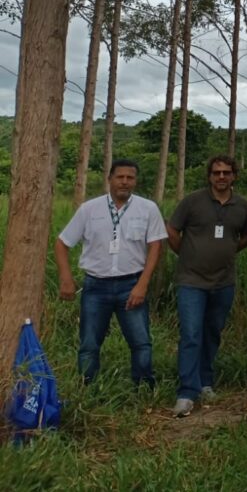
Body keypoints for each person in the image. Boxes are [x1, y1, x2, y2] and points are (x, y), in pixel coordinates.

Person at [54, 159, 167, 387]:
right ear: (110, 179)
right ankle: (87, 388)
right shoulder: (90, 209)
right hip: (96, 286)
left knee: (141, 342)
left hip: (131, 285)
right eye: (120, 177)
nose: (124, 182)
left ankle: (144, 388)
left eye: (130, 178)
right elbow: (62, 243)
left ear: (135, 181)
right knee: (89, 343)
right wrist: (66, 278)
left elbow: (156, 246)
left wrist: (142, 285)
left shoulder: (147, 209)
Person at [167, 155, 247, 417]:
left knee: (212, 333)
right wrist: (185, 254)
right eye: (216, 173)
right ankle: (186, 392)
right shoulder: (193, 201)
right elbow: (172, 230)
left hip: (223, 282)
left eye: (226, 173)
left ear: (234, 176)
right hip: (191, 281)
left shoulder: (243, 206)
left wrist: (228, 250)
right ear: (209, 176)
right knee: (191, 335)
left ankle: (205, 382)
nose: (221, 177)